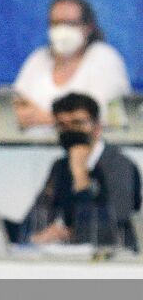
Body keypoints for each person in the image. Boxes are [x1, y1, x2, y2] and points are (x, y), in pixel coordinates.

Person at [26, 93, 140, 248]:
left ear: (97, 127)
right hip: (71, 257)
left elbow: (110, 228)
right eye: (62, 125)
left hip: (116, 259)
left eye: (78, 123)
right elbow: (37, 216)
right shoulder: (60, 167)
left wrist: (80, 176)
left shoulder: (120, 166)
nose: (70, 131)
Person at [13, 0, 130, 129]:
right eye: (56, 23)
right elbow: (14, 105)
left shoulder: (104, 58)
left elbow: (103, 118)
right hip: (31, 146)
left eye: (70, 23)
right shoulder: (38, 58)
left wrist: (47, 118)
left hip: (83, 145)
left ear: (88, 27)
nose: (62, 30)